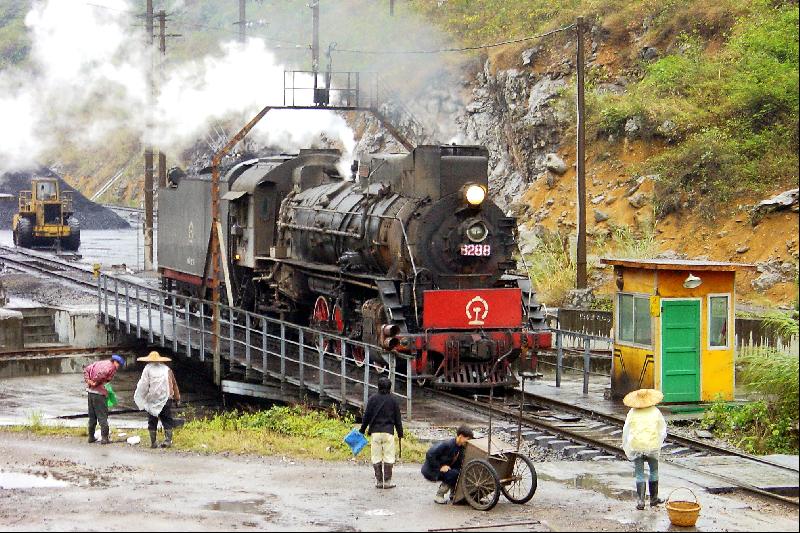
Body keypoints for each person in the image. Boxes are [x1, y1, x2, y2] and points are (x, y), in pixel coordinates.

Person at [622, 388, 667, 510]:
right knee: (654, 471)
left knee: (639, 474)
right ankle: (653, 499)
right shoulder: (655, 411)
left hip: (636, 446)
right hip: (652, 446)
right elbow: (662, 430)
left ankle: (641, 501)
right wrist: (657, 442)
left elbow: (626, 430)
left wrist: (628, 445)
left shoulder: (632, 412)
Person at [359, 377, 404, 489]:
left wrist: (362, 430)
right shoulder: (393, 400)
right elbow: (398, 419)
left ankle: (379, 481)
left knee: (376, 456)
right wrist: (400, 433)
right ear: (390, 387)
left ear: (378, 386)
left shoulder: (372, 399)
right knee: (389, 457)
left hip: (375, 432)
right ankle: (387, 482)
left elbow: (366, 416)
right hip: (388, 432)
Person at [133, 351, 181, 449]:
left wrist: (141, 397)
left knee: (152, 421)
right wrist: (177, 398)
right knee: (167, 420)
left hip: (153, 399)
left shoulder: (147, 369)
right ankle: (168, 440)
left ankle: (153, 442)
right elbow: (174, 384)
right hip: (166, 399)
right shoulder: (167, 369)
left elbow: (144, 385)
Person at [421, 425, 474, 504]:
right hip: (431, 470)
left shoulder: (460, 447)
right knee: (454, 473)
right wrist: (440, 467)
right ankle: (439, 495)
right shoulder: (447, 444)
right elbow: (430, 454)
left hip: (444, 468)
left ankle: (454, 494)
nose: (468, 441)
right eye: (467, 439)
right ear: (461, 436)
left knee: (460, 471)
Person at [83, 354, 126, 444]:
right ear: (114, 361)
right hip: (99, 394)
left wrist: (89, 381)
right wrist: (95, 382)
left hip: (90, 393)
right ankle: (104, 438)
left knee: (92, 417)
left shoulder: (100, 363)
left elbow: (87, 369)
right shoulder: (110, 367)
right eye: (118, 364)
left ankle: (91, 437)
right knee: (103, 416)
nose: (118, 366)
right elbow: (102, 374)